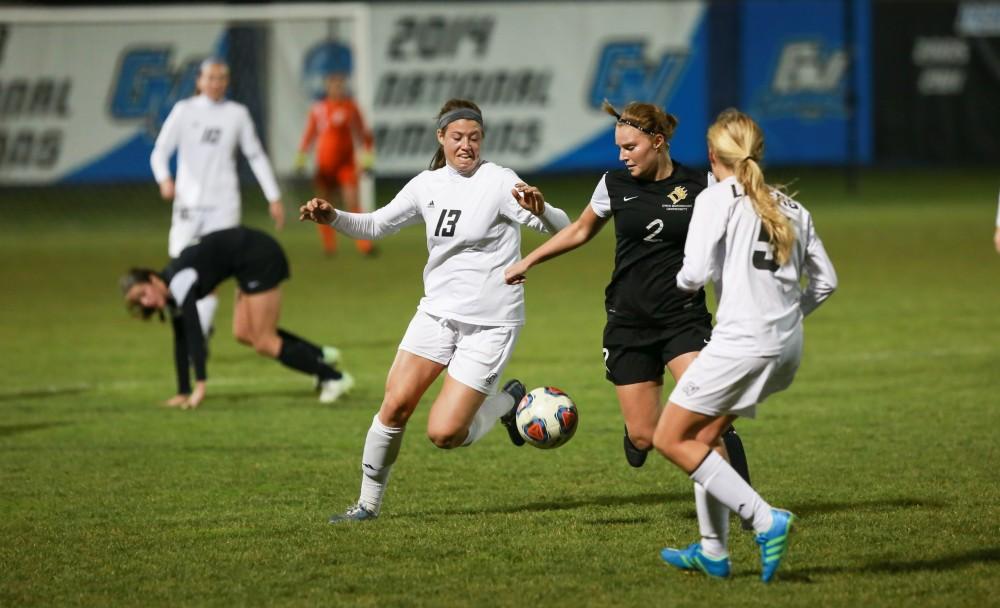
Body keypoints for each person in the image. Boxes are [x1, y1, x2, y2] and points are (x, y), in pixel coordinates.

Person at [299, 98, 571, 523]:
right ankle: (367, 505)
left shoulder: (499, 182)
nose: (467, 146)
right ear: (441, 137)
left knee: (445, 434)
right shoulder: (426, 185)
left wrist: (543, 211)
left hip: (490, 323)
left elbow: (566, 230)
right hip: (437, 315)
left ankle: (507, 403)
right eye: (458, 137)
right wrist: (333, 216)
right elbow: (376, 225)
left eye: (475, 138)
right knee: (394, 407)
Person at [505, 100, 752, 482]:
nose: (622, 156)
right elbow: (581, 229)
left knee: (709, 414)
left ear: (657, 142)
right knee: (646, 436)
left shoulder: (701, 185)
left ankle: (747, 514)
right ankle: (637, 433)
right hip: (628, 320)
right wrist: (528, 261)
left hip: (682, 318)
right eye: (618, 148)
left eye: (630, 147)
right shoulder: (614, 184)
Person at [654, 109, 837, 582]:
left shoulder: (717, 199)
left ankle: (764, 518)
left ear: (712, 155)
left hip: (740, 344)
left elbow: (692, 276)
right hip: (786, 348)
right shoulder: (792, 207)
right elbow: (826, 283)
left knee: (669, 438)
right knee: (705, 436)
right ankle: (713, 551)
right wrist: (784, 319)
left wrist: (682, 278)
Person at [120, 226, 352, 408]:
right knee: (243, 333)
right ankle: (320, 355)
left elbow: (194, 336)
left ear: (152, 279)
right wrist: (183, 392)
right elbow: (180, 341)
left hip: (260, 256)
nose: (145, 302)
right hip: (246, 263)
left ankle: (334, 378)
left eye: (143, 293)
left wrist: (199, 387)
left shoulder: (179, 281)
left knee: (263, 341)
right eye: (138, 302)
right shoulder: (170, 289)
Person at [150, 57, 286, 339]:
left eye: (222, 78)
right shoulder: (184, 111)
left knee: (213, 268)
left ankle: (198, 333)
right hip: (188, 204)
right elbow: (160, 151)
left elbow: (255, 155)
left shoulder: (236, 113)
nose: (216, 83)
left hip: (224, 205)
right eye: (210, 78)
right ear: (199, 81)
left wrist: (273, 196)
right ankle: (198, 327)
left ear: (227, 82)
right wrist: (164, 178)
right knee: (180, 266)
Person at [295, 72, 375, 256]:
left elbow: (364, 134)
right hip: (325, 165)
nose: (338, 89)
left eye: (341, 85)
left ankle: (364, 245)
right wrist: (301, 158)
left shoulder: (351, 107)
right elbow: (310, 134)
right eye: (334, 85)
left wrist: (367, 160)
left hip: (345, 165)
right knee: (322, 204)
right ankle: (329, 246)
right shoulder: (319, 108)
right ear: (327, 87)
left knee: (352, 200)